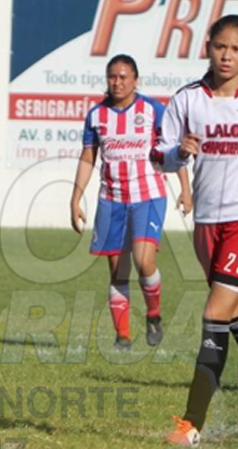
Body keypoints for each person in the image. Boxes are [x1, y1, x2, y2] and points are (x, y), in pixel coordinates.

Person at [155, 15, 238, 447]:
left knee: (214, 314)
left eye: (236, 49)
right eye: (220, 47)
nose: (227, 56)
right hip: (207, 222)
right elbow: (159, 155)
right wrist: (177, 152)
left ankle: (191, 424)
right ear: (208, 47)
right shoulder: (187, 99)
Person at [70, 54, 192, 350]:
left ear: (135, 80)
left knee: (144, 260)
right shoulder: (96, 115)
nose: (118, 82)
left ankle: (153, 315)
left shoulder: (153, 110)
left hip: (148, 196)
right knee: (117, 271)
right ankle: (122, 336)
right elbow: (88, 156)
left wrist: (185, 188)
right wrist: (75, 198)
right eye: (112, 76)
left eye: (123, 77)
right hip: (111, 200)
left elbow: (170, 151)